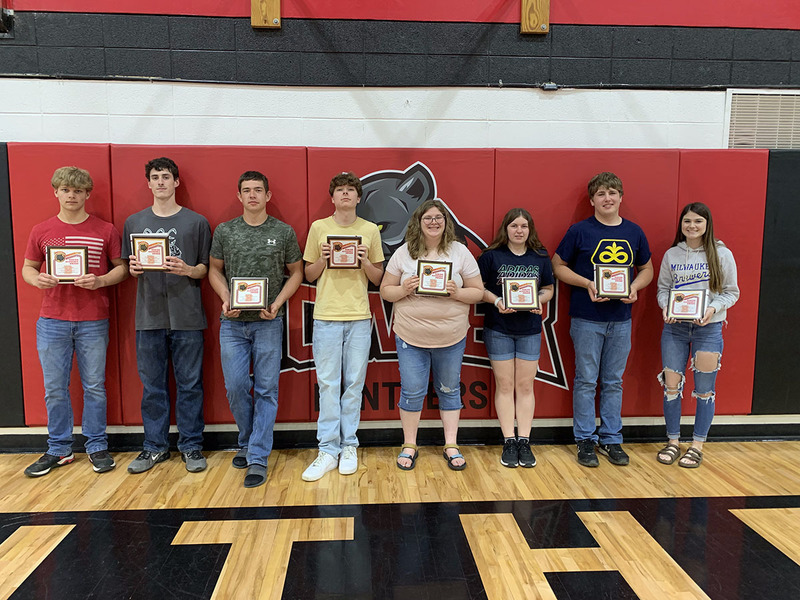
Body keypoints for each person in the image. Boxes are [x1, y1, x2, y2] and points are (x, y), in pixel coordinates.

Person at [22, 166, 128, 477]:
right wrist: (37, 279)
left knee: (94, 386)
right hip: (52, 319)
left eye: (78, 191)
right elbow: (28, 268)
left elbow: (121, 268)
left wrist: (100, 281)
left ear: (87, 194)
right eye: (66, 190)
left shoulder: (105, 230)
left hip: (93, 320)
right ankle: (59, 448)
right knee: (55, 387)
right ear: (56, 191)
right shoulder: (41, 231)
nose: (72, 195)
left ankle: (96, 446)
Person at [208, 171, 303, 488]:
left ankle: (258, 456)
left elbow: (296, 273)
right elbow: (214, 270)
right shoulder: (225, 231)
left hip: (268, 323)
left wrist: (277, 303)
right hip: (232, 324)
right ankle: (248, 441)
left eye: (258, 190)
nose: (252, 195)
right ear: (239, 196)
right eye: (246, 190)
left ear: (268, 195)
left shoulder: (283, 232)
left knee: (266, 390)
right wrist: (225, 298)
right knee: (236, 388)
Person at [552, 172, 653, 468]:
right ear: (592, 200)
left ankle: (611, 438)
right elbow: (557, 265)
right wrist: (587, 283)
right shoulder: (579, 231)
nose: (607, 198)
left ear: (621, 197)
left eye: (612, 193)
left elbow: (646, 267)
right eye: (600, 194)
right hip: (586, 318)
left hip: (621, 320)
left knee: (613, 381)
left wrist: (635, 286)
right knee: (585, 380)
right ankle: (585, 439)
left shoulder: (634, 232)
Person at [380, 199, 484, 471]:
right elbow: (385, 291)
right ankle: (410, 444)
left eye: (439, 217)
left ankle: (451, 444)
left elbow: (478, 292)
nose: (434, 222)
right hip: (410, 337)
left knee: (449, 391)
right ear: (418, 222)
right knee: (412, 392)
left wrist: (457, 292)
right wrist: (403, 289)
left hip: (451, 337)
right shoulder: (404, 252)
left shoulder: (460, 252)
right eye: (428, 218)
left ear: (446, 222)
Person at [123, 157, 211, 474]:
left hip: (187, 316)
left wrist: (188, 269)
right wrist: (132, 269)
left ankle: (190, 446)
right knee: (153, 388)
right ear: (148, 183)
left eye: (166, 177)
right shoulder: (134, 222)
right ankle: (154, 447)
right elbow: (127, 266)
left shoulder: (196, 222)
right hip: (148, 317)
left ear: (176, 183)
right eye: (155, 177)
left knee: (190, 385)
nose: (161, 182)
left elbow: (205, 268)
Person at [301, 172, 385, 482]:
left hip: (359, 316)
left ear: (359, 197)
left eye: (351, 190)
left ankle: (349, 445)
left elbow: (377, 279)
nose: (346, 195)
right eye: (340, 191)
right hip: (326, 316)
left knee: (353, 384)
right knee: (328, 384)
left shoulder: (368, 231)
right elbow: (309, 274)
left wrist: (364, 261)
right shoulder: (319, 228)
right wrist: (323, 259)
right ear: (332, 197)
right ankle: (327, 449)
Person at [655, 203, 739, 468]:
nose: (692, 226)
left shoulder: (722, 254)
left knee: (704, 390)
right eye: (687, 221)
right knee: (671, 386)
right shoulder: (672, 255)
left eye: (698, 222)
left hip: (709, 329)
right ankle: (673, 442)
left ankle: (697, 445)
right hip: (675, 328)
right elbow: (662, 289)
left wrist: (713, 308)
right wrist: (665, 307)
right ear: (681, 224)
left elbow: (732, 292)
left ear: (707, 224)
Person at [477, 208, 554, 468]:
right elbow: (480, 289)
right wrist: (497, 300)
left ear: (530, 229)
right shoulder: (491, 256)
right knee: (505, 385)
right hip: (498, 328)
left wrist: (539, 300)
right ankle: (509, 440)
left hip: (529, 329)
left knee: (524, 386)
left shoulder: (541, 256)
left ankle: (524, 439)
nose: (519, 230)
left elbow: (548, 288)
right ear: (506, 229)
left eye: (524, 226)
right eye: (514, 226)